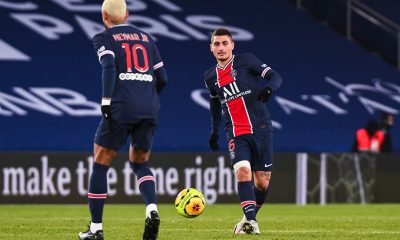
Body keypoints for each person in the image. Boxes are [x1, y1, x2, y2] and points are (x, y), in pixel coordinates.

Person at [78, 0, 167, 239]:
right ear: (126, 14)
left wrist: (107, 99)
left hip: (120, 105)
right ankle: (152, 210)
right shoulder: (147, 38)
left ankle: (96, 229)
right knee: (140, 163)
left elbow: (108, 65)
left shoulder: (103, 38)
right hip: (149, 107)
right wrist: (145, 95)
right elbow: (163, 78)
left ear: (103, 15)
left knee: (101, 161)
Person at [204, 28, 282, 235]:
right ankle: (252, 221)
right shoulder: (210, 77)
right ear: (211, 48)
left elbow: (275, 77)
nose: (221, 48)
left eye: (224, 43)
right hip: (236, 132)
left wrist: (269, 88)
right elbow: (215, 103)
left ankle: (247, 219)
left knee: (262, 182)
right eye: (216, 44)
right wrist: (214, 131)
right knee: (242, 171)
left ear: (232, 45)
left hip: (261, 128)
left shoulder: (247, 61)